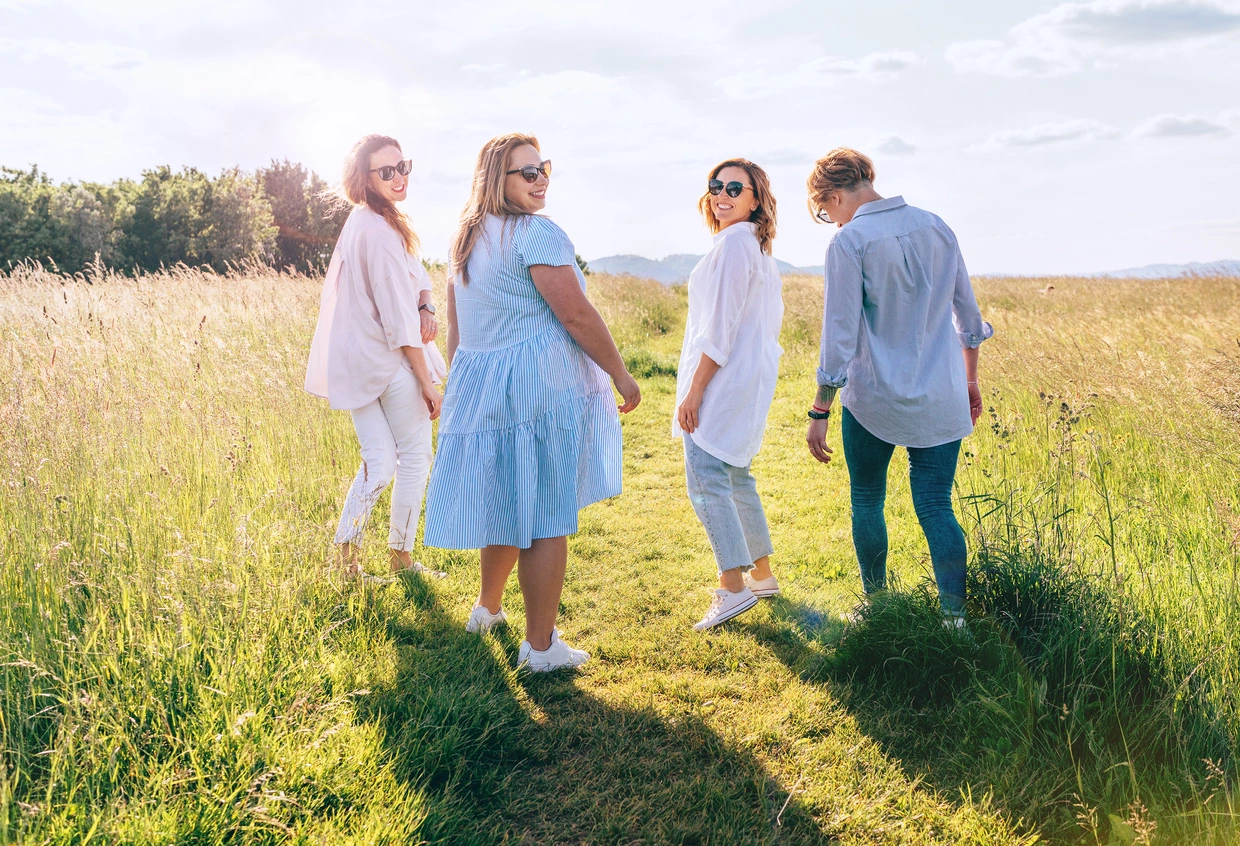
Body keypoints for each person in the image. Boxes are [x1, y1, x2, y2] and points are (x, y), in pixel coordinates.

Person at [423, 133, 642, 671]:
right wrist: (621, 374)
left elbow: (458, 329)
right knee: (545, 515)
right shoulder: (535, 233)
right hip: (536, 389)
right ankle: (540, 647)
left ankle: (487, 609)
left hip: (483, 387)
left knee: (505, 502)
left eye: (543, 168)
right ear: (496, 180)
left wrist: (461, 390)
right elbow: (576, 316)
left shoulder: (466, 239)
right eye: (526, 172)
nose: (540, 179)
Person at [803, 147, 992, 628]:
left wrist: (821, 408)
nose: (833, 221)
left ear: (833, 195)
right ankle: (955, 621)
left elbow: (839, 336)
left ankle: (878, 607)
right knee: (935, 504)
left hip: (874, 400)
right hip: (942, 392)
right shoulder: (936, 226)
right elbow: (968, 319)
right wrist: (970, 381)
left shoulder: (849, 243)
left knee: (867, 499)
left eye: (826, 212)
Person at [305, 134, 447, 580]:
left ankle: (347, 562)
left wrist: (426, 300)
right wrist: (426, 380)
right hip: (384, 360)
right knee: (415, 457)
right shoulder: (377, 231)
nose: (399, 176)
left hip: (355, 361)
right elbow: (397, 320)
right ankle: (401, 560)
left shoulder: (371, 220)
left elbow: (415, 276)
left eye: (403, 165)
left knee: (380, 461)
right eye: (387, 172)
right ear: (365, 179)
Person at [674, 158, 784, 631]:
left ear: (756, 197)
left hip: (722, 379)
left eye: (735, 188)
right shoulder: (752, 245)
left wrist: (695, 391)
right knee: (736, 475)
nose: (723, 194)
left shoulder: (736, 246)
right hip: (745, 377)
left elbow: (718, 330)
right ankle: (761, 574)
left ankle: (732, 586)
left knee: (706, 478)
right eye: (716, 186)